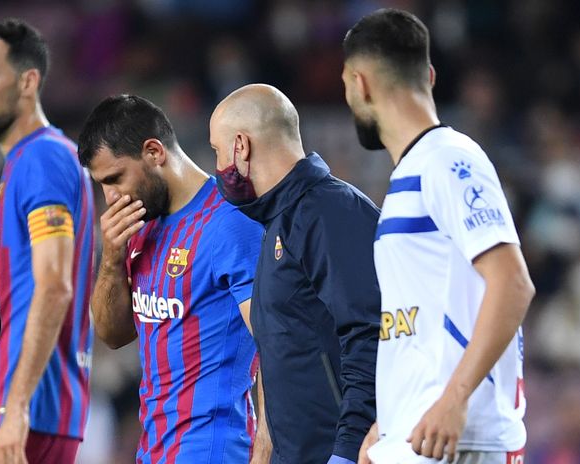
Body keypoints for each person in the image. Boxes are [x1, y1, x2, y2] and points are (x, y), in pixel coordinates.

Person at [341, 9, 536, 464]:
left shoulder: (447, 159)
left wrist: (455, 399)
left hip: (460, 440)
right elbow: (418, 322)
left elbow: (512, 282)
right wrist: (388, 420)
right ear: (428, 75)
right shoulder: (412, 173)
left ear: (359, 83)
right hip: (415, 436)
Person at [78, 94, 268, 463]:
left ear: (154, 152)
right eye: (101, 184)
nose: (111, 196)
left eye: (114, 178)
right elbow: (112, 334)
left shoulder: (230, 222)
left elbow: (275, 347)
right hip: (153, 449)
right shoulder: (141, 227)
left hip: (215, 449)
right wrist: (112, 259)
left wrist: (265, 449)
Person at [209, 83, 381, 464]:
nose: (218, 166)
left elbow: (370, 334)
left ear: (241, 146)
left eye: (217, 152)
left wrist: (348, 451)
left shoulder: (331, 211)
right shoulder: (280, 223)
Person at [0, 19, 96, 464]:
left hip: (27, 415)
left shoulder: (44, 157)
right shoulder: (24, 163)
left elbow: (55, 285)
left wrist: (15, 408)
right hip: (8, 409)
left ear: (27, 81)